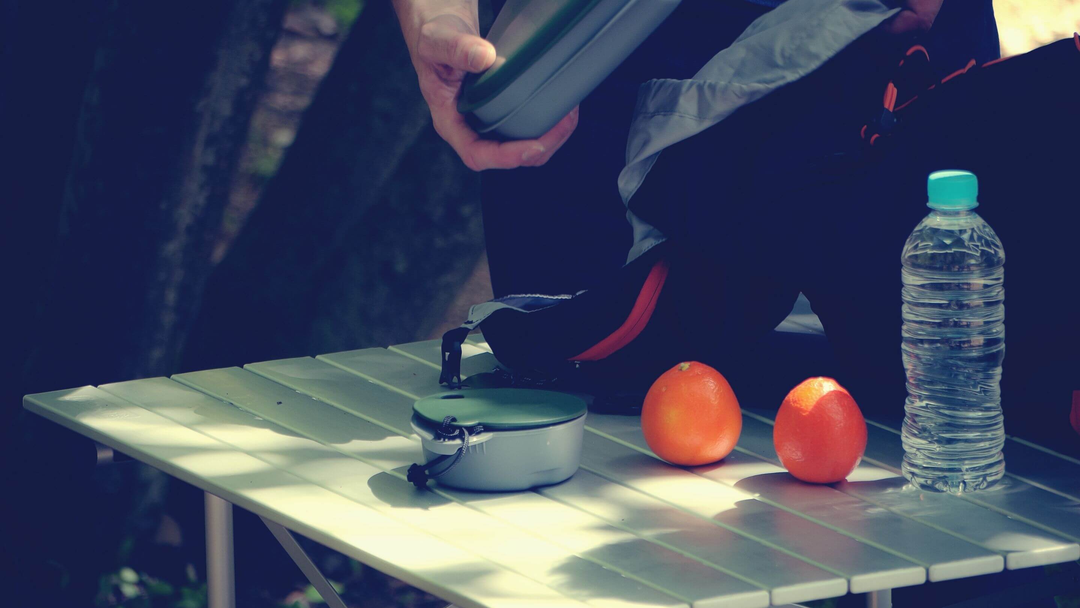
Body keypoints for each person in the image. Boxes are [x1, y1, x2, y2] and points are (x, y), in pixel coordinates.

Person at [391, 0, 1078, 455]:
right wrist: (437, 18)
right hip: (601, 63)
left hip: (891, 53)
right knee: (595, 464)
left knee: (945, 496)